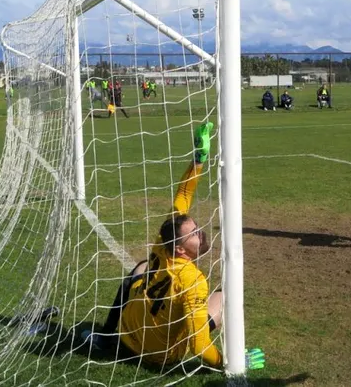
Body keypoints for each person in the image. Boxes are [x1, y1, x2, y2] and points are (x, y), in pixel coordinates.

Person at [81, 122, 265, 370]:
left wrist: (198, 160)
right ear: (180, 249)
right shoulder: (194, 279)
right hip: (158, 357)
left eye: (198, 228)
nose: (201, 233)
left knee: (141, 268)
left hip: (126, 337)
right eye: (195, 234)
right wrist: (229, 363)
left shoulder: (162, 241)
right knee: (223, 296)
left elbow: (183, 195)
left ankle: (105, 336)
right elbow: (197, 346)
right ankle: (229, 357)